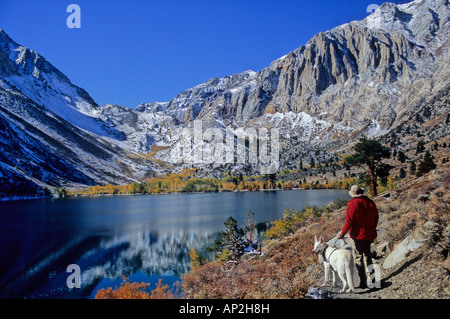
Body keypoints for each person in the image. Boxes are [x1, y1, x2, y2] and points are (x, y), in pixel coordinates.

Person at [337, 185, 379, 289]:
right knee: (368, 256)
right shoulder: (370, 202)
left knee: (358, 257)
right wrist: (372, 228)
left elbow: (349, 221)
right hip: (369, 234)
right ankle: (373, 281)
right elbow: (376, 218)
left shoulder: (353, 203)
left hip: (358, 235)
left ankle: (363, 283)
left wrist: (342, 234)